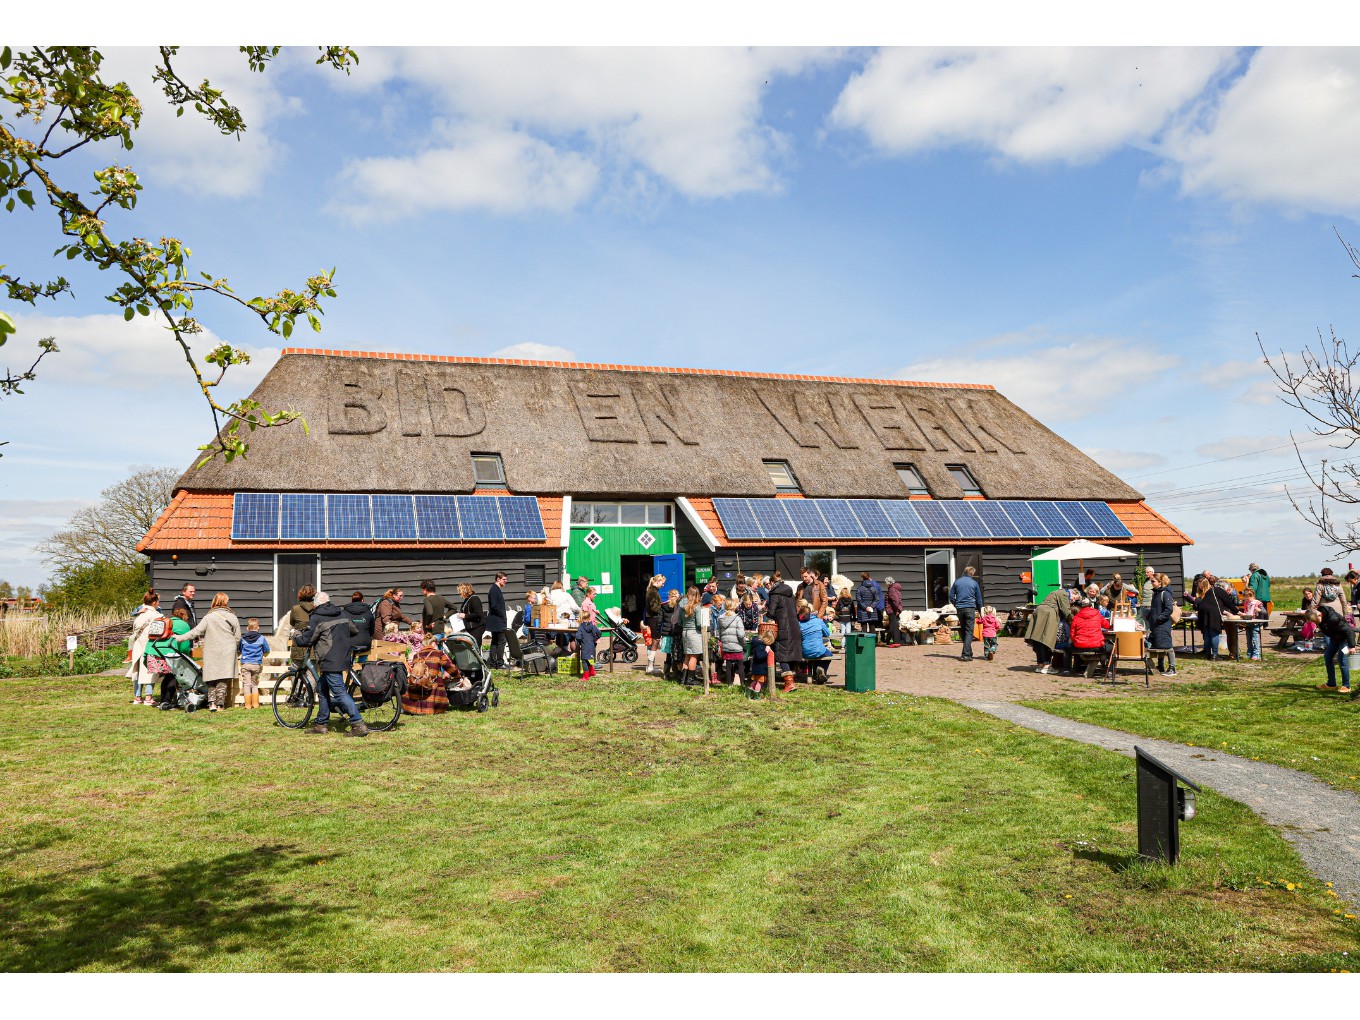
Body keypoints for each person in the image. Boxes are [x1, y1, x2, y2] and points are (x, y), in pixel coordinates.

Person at [292, 591, 367, 737]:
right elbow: (354, 630)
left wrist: (296, 636)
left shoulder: (317, 617)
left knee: (339, 693)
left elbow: (307, 640)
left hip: (329, 659)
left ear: (316, 604)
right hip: (342, 656)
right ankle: (321, 724)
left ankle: (358, 724)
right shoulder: (342, 613)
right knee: (322, 688)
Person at [182, 592, 242, 713]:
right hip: (228, 650)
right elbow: (238, 637)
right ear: (226, 602)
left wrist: (178, 637)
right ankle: (221, 705)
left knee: (211, 678)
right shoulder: (232, 617)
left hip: (211, 650)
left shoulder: (209, 617)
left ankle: (212, 703)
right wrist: (233, 647)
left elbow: (195, 632)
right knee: (223, 678)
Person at [146, 606, 193, 707]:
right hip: (168, 654)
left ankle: (165, 700)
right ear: (185, 617)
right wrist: (185, 656)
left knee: (168, 677)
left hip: (152, 652)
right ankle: (166, 701)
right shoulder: (184, 625)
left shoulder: (166, 621)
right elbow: (184, 646)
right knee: (172, 676)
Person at [403, 633, 462, 714]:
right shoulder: (438, 653)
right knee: (436, 678)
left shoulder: (416, 655)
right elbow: (450, 667)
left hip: (416, 687)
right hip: (432, 691)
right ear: (433, 643)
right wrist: (457, 676)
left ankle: (415, 708)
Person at [765, 571, 803, 692]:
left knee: (782, 654)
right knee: (791, 653)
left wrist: (766, 610)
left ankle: (789, 683)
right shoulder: (789, 592)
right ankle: (791, 681)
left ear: (772, 583)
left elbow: (771, 612)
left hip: (783, 627)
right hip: (794, 626)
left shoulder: (774, 594)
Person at [1023, 588, 1074, 674]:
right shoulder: (1064, 593)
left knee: (1038, 639)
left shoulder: (1053, 592)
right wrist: (1074, 620)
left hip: (1039, 612)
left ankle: (1040, 665)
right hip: (1047, 614)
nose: (1072, 601)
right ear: (1073, 593)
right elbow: (1066, 610)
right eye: (1073, 598)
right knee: (1047, 640)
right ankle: (1047, 666)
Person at [1307, 605, 1354, 695]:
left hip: (1345, 641)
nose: (1316, 623)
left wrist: (1352, 646)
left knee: (1341, 660)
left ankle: (1346, 686)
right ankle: (1331, 684)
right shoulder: (1320, 617)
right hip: (1334, 639)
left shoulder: (1334, 618)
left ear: (1320, 615)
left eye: (1316, 621)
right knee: (1327, 657)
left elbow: (1349, 631)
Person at [127, 591, 162, 705]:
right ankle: (148, 697)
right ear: (154, 602)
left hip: (138, 645)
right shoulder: (157, 616)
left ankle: (137, 697)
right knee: (149, 670)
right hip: (151, 645)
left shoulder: (139, 616)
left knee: (137, 670)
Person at [1184, 577, 1231, 660]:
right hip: (1206, 615)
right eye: (1199, 586)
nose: (1199, 587)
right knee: (1208, 633)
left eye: (1201, 586)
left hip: (1210, 614)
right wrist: (1188, 598)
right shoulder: (1205, 592)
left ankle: (1212, 653)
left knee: (1212, 633)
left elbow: (1202, 602)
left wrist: (1195, 600)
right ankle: (1210, 653)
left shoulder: (1210, 592)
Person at [1067, 596, 1112, 675]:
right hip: (1097, 645)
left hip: (1080, 645)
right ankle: (1109, 670)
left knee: (1067, 648)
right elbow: (1107, 625)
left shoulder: (1076, 617)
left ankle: (1070, 669)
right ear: (1091, 606)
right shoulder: (1097, 614)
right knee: (1113, 648)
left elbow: (1072, 634)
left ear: (1081, 607)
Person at [1146, 572, 1178, 676]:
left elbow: (1168, 609)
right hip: (1156, 624)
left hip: (1163, 624)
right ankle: (1161, 666)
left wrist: (1159, 618)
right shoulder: (1156, 593)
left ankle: (1172, 667)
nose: (1152, 583)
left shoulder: (1165, 593)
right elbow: (1155, 608)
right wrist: (1150, 616)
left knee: (1167, 646)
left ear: (1160, 582)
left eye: (1153, 581)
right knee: (1159, 645)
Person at [949, 565, 983, 662]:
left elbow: (951, 596)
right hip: (970, 608)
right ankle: (966, 655)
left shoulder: (957, 582)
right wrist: (981, 611)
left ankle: (969, 652)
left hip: (960, 609)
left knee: (963, 630)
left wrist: (956, 604)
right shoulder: (974, 583)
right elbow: (979, 599)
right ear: (972, 573)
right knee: (969, 631)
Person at [797, 599, 833, 683]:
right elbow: (827, 633)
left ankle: (817, 674)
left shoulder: (799, 624)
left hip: (805, 651)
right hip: (818, 650)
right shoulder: (818, 621)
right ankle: (822, 670)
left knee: (813, 654)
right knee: (829, 655)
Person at [238, 617, 269, 709]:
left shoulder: (243, 639)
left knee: (247, 684)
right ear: (258, 627)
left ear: (247, 628)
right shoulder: (262, 638)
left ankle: (247, 705)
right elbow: (267, 650)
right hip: (256, 665)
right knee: (254, 684)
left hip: (245, 664)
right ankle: (256, 704)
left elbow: (239, 649)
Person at [715, 597, 747, 687]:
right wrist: (744, 645)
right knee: (740, 664)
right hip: (737, 645)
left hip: (726, 645)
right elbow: (741, 635)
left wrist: (723, 641)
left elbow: (719, 633)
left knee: (728, 665)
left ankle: (729, 684)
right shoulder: (737, 618)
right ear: (733, 607)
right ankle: (742, 684)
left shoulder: (720, 618)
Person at [288, 585, 318, 664]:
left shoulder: (295, 609)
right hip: (313, 648)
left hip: (298, 647)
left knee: (296, 674)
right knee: (311, 674)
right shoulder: (318, 608)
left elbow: (292, 623)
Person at [487, 572, 509, 668]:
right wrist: (502, 615)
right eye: (504, 579)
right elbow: (494, 605)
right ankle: (499, 663)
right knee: (501, 641)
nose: (505, 582)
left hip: (496, 620)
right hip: (498, 621)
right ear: (498, 579)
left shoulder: (496, 589)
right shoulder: (494, 590)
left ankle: (493, 663)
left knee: (495, 641)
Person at [644, 574, 666, 673]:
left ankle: (650, 665)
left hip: (652, 619)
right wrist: (663, 607)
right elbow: (654, 608)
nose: (663, 585)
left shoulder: (652, 591)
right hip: (654, 619)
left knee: (653, 641)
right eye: (662, 583)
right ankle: (650, 666)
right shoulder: (653, 592)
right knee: (655, 641)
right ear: (657, 582)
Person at [455, 583, 486, 652]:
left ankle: (478, 662)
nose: (459, 593)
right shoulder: (467, 599)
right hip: (470, 627)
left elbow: (479, 614)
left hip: (477, 627)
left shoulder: (474, 599)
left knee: (475, 647)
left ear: (465, 590)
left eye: (460, 591)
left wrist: (465, 616)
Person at [342, 591, 375, 656]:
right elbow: (372, 630)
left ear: (352, 600)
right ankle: (362, 664)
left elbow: (342, 629)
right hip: (365, 643)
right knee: (363, 660)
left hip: (349, 643)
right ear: (362, 600)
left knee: (350, 661)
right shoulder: (368, 612)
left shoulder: (344, 612)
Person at [1239, 587, 1265, 661]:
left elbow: (1264, 612)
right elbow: (1246, 611)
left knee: (1255, 638)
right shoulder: (1246, 603)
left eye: (1247, 598)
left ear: (1252, 596)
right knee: (1248, 638)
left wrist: (1259, 610)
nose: (1246, 600)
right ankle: (1249, 653)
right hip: (1248, 622)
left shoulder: (1258, 603)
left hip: (1255, 623)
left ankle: (1256, 654)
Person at [855, 572, 882, 638]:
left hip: (862, 610)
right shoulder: (874, 588)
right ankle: (873, 643)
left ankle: (864, 644)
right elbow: (877, 599)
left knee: (864, 627)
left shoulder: (860, 589)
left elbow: (859, 599)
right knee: (872, 626)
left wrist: (865, 607)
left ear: (862, 578)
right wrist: (871, 607)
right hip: (872, 610)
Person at [576, 615, 601, 680]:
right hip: (592, 645)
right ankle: (592, 672)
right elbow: (599, 633)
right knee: (587, 659)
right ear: (589, 617)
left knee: (584, 660)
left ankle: (586, 677)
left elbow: (578, 637)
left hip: (584, 645)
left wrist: (581, 641)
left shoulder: (581, 627)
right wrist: (595, 638)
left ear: (581, 618)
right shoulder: (593, 626)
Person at [882, 576, 903, 647]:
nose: (885, 584)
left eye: (885, 582)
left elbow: (895, 600)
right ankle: (889, 641)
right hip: (894, 610)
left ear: (888, 583)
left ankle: (896, 642)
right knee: (892, 626)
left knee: (894, 626)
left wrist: (897, 609)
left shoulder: (891, 589)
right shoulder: (895, 588)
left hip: (893, 610)